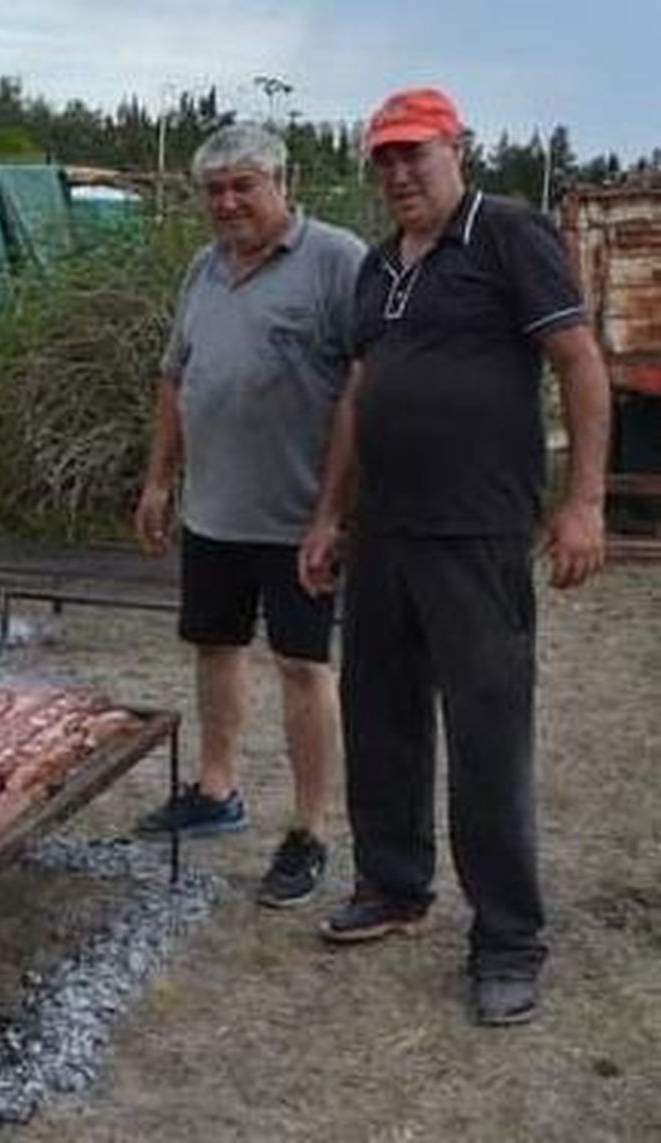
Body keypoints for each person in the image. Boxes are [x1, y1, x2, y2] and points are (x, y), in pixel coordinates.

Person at [298, 88, 609, 1026]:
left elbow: (579, 361)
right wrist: (328, 515)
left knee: (487, 739)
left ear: (456, 148)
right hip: (384, 534)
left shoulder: (508, 232)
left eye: (413, 154)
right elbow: (359, 393)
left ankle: (508, 937)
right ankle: (394, 886)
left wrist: (585, 502)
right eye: (383, 160)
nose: (398, 174)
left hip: (476, 533)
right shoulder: (378, 265)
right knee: (381, 718)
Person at [134, 123, 366, 908]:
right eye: (214, 190)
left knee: (303, 666)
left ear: (280, 183)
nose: (227, 202)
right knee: (214, 647)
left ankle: (310, 831)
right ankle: (217, 787)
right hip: (214, 510)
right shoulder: (203, 267)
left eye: (243, 186)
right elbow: (175, 377)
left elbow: (360, 393)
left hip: (299, 517)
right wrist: (160, 481)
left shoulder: (336, 260)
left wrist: (333, 513)